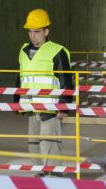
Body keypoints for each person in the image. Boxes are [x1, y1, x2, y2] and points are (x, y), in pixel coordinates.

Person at [17, 9, 74, 167]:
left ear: (46, 31)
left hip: (50, 107)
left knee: (48, 143)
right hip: (31, 107)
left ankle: (53, 173)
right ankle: (40, 172)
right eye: (30, 31)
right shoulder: (24, 51)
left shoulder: (57, 51)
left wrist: (63, 106)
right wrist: (17, 101)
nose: (32, 35)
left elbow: (65, 80)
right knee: (33, 143)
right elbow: (21, 77)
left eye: (37, 31)